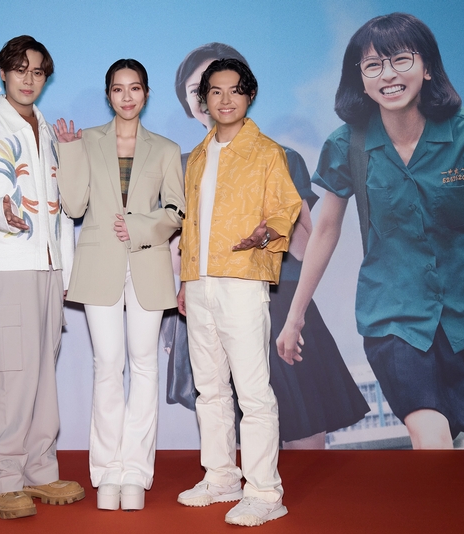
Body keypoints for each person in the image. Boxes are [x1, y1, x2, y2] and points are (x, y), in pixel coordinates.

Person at [277, 13, 464, 450]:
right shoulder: (346, 145)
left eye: (401, 60)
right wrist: (295, 316)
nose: (388, 74)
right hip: (396, 319)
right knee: (433, 446)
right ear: (361, 79)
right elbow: (325, 230)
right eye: (373, 65)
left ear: (427, 67)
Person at [164, 42, 369, 448]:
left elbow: (304, 247)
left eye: (225, 82)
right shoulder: (181, 166)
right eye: (197, 89)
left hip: (279, 303)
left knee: (306, 443)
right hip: (212, 304)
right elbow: (173, 257)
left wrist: (269, 220)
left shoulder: (281, 157)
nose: (213, 95)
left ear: (246, 89)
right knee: (231, 436)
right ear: (189, 103)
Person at [0, 35, 83, 520]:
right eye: (20, 69)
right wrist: (0, 212)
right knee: (8, 374)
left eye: (37, 72)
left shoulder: (47, 130)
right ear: (3, 73)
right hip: (6, 266)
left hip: (48, 268)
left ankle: (39, 469)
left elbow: (63, 209)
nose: (29, 80)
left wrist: (65, 268)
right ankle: (4, 479)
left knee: (42, 373)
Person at [54, 59, 185, 511]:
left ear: (146, 93)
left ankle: (136, 473)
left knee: (144, 366)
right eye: (117, 89)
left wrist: (140, 226)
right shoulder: (86, 141)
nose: (126, 97)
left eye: (134, 88)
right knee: (107, 366)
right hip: (99, 264)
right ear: (108, 95)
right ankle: (107, 471)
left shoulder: (166, 149)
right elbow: (74, 206)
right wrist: (68, 153)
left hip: (148, 263)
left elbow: (177, 211)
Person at [177, 58, 300, 527]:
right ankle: (221, 477)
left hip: (243, 280)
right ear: (204, 100)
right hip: (200, 283)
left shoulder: (267, 152)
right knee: (209, 390)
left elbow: (286, 208)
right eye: (215, 91)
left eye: (234, 90)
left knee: (253, 392)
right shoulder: (198, 156)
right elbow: (190, 226)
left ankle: (265, 491)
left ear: (249, 95)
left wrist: (266, 235)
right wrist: (186, 280)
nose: (225, 100)